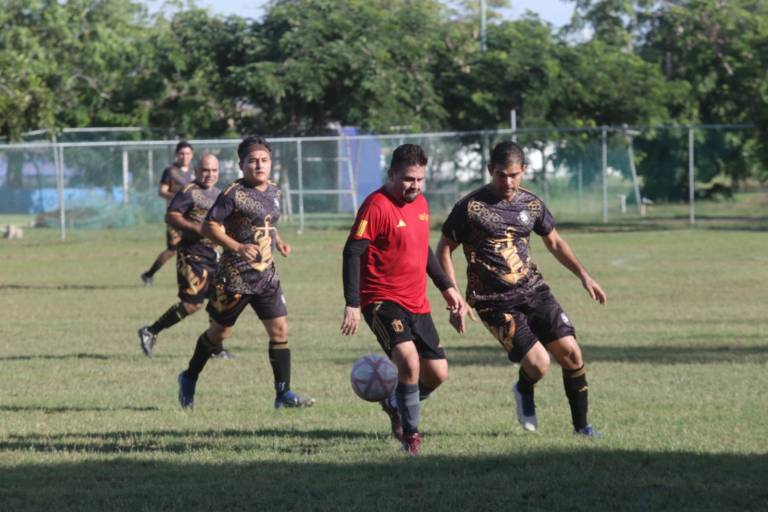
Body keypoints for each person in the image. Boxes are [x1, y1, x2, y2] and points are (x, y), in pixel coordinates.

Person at [436, 140, 607, 438]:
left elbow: (554, 241)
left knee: (571, 354)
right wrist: (454, 297)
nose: (508, 181)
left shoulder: (531, 203)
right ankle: (524, 388)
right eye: (501, 174)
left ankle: (583, 429)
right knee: (539, 364)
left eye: (514, 174)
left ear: (524, 170)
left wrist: (584, 275)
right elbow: (443, 250)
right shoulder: (470, 208)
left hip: (534, 291)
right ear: (490, 170)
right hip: (493, 301)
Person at [340, 144, 467, 454]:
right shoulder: (376, 206)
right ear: (393, 173)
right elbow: (353, 251)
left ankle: (396, 401)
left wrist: (447, 287)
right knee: (408, 360)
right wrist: (353, 303)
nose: (416, 186)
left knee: (437, 373)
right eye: (409, 179)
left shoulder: (421, 204)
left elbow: (422, 250)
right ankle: (411, 437)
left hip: (417, 302)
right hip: (381, 299)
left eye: (420, 179)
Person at [177, 136, 314, 410]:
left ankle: (283, 394)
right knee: (219, 334)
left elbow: (266, 223)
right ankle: (189, 376)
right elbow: (210, 227)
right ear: (241, 165)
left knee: (280, 329)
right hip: (235, 276)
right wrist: (238, 246)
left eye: (264, 160)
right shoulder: (233, 194)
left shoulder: (274, 191)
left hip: (267, 275)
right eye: (252, 161)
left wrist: (278, 240)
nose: (259, 165)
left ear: (270, 163)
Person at [138, 154, 233, 358]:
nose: (210, 174)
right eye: (205, 170)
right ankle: (151, 331)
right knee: (192, 304)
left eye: (214, 170)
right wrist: (196, 227)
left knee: (219, 301)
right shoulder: (189, 191)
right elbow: (171, 216)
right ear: (196, 171)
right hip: (192, 255)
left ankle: (216, 348)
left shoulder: (218, 194)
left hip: (213, 256)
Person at [140, 141, 195, 285]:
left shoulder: (195, 171)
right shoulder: (170, 171)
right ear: (177, 155)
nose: (185, 156)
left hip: (192, 216)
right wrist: (178, 197)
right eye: (182, 153)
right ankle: (149, 274)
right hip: (175, 217)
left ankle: (195, 280)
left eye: (188, 153)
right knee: (173, 249)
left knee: (195, 247)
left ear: (192, 155)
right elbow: (162, 191)